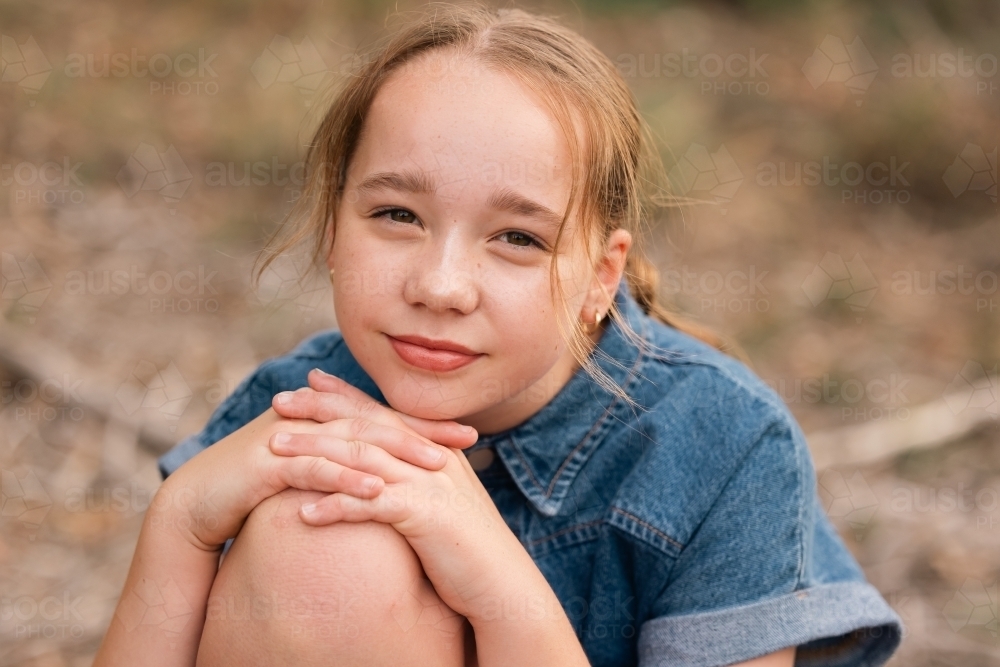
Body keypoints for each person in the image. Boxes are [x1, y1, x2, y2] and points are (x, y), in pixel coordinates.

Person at [94, 3, 903, 666]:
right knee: (326, 540)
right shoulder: (301, 415)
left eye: (518, 238)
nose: (440, 286)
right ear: (333, 229)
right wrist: (182, 516)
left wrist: (490, 571)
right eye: (396, 215)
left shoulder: (722, 445)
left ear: (600, 276)